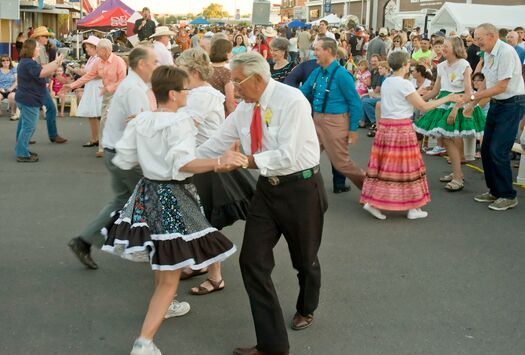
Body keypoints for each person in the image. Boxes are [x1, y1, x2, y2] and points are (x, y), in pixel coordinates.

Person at [102, 65, 241, 355]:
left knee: (160, 254)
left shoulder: (141, 122)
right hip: (173, 194)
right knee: (169, 275)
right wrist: (219, 162)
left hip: (147, 190)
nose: (188, 94)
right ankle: (144, 342)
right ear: (175, 94)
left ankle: (168, 307)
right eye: (186, 90)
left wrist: (151, 160)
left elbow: (124, 159)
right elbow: (183, 164)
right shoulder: (180, 123)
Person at [196, 51, 326, 355]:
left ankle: (307, 307)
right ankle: (273, 345)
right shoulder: (245, 108)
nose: (234, 88)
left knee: (304, 260)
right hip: (267, 191)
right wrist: (180, 163)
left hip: (302, 189)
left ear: (256, 79)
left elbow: (287, 155)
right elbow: (215, 142)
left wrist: (243, 160)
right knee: (252, 262)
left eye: (237, 82)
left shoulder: (292, 101)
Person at [67, 46, 157, 270]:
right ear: (142, 64)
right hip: (126, 155)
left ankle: (84, 240)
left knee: (122, 200)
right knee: (153, 200)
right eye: (153, 62)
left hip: (115, 151)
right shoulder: (134, 88)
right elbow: (138, 126)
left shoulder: (133, 85)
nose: (156, 66)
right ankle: (159, 250)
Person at [175, 48, 256, 294]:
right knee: (200, 219)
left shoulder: (202, 95)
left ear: (194, 71)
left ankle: (215, 275)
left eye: (182, 69)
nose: (179, 73)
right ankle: (202, 265)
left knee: (205, 220)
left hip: (206, 164)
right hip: (202, 161)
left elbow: (186, 126)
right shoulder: (199, 92)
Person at [360, 52, 462, 220]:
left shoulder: (388, 82)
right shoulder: (405, 84)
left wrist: (423, 93)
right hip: (401, 129)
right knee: (408, 168)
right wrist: (448, 98)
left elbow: (409, 100)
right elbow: (423, 107)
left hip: (386, 128)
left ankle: (376, 203)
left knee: (386, 168)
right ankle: (411, 208)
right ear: (405, 65)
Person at [464, 23, 525, 211]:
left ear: (491, 36)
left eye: (479, 38)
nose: (476, 42)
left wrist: (472, 97)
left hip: (512, 104)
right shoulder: (488, 53)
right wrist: (472, 105)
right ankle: (494, 190)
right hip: (498, 104)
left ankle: (508, 195)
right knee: (486, 148)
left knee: (498, 150)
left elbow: (501, 87)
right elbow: (486, 84)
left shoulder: (506, 52)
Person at [414, 36, 486, 192]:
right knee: (446, 140)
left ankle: (458, 176)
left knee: (448, 140)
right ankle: (456, 172)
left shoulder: (464, 65)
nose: (443, 48)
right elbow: (435, 90)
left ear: (456, 48)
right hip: (443, 102)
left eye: (446, 46)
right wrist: (417, 100)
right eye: (442, 46)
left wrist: (455, 109)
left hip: (458, 102)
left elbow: (468, 92)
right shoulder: (441, 66)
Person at [301, 37, 366, 190]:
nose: (314, 53)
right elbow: (302, 92)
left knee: (342, 163)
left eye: (317, 49)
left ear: (328, 51)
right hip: (316, 120)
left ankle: (372, 190)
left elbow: (355, 102)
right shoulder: (318, 72)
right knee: (305, 155)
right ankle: (301, 189)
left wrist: (353, 129)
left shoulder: (342, 74)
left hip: (335, 123)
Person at [62, 39, 127, 158]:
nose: (96, 54)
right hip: (106, 93)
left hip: (119, 94)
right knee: (104, 119)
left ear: (106, 50)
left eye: (98, 51)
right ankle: (103, 147)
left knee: (111, 119)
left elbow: (123, 80)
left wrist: (110, 87)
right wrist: (72, 85)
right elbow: (88, 76)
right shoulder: (99, 62)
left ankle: (116, 146)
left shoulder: (118, 61)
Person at [14, 39, 64, 162]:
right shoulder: (28, 63)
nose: (38, 49)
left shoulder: (27, 62)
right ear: (31, 49)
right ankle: (22, 153)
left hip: (25, 98)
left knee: (25, 126)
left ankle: (22, 149)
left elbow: (42, 70)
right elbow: (42, 72)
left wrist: (54, 65)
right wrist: (57, 63)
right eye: (36, 47)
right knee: (28, 127)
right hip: (28, 99)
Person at [31, 26, 67, 144]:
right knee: (49, 109)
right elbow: (43, 68)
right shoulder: (40, 49)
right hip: (38, 84)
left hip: (37, 83)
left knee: (30, 111)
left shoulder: (39, 48)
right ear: (39, 37)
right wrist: (56, 74)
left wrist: (55, 76)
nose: (47, 39)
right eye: (45, 36)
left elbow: (43, 69)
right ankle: (53, 135)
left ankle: (23, 137)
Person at [71, 35, 103, 148]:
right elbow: (87, 73)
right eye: (86, 47)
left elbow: (99, 75)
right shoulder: (91, 58)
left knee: (97, 114)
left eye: (88, 47)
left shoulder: (99, 59)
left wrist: (84, 74)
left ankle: (98, 138)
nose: (86, 49)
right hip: (91, 86)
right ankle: (96, 138)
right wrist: (78, 71)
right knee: (92, 114)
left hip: (97, 87)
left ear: (95, 47)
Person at [208, 38, 236, 116]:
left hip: (206, 110)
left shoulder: (205, 68)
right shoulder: (226, 72)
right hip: (220, 112)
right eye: (231, 52)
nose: (232, 54)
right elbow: (229, 102)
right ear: (226, 53)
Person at [0, 55, 18, 120]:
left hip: (11, 89)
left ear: (10, 61)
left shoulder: (13, 69)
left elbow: (17, 80)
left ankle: (13, 112)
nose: (5, 61)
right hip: (1, 89)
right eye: (3, 60)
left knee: (12, 96)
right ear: (1, 62)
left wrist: (11, 88)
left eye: (7, 60)